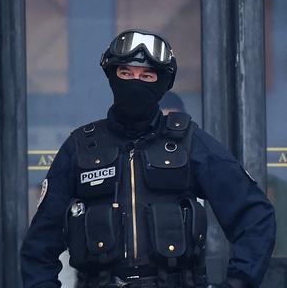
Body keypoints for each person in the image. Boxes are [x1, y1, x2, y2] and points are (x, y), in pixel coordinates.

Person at [20, 29, 276, 288]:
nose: (135, 82)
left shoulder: (189, 143)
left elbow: (255, 216)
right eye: (126, 73)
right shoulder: (81, 146)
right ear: (112, 77)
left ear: (162, 83)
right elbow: (39, 247)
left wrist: (238, 282)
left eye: (147, 75)